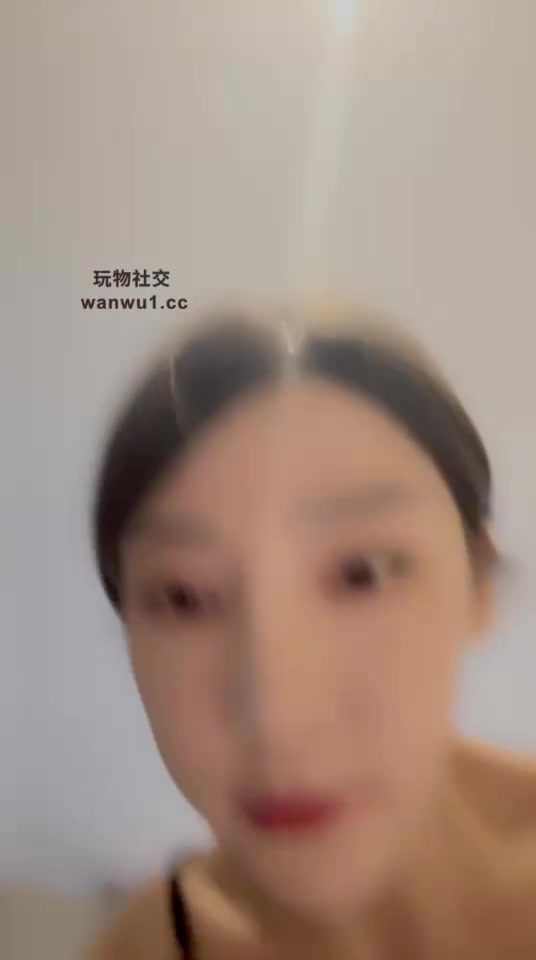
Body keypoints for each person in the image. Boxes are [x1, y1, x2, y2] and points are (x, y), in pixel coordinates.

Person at [89, 303, 536, 959]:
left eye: (363, 573)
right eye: (183, 597)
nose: (277, 717)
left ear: (479, 585)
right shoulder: (149, 943)